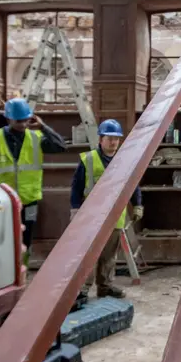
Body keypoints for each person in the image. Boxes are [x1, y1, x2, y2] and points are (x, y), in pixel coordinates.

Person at [0, 98, 66, 264]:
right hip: (0, 201)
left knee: (26, 239)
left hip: (29, 200)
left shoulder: (36, 138)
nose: (23, 124)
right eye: (18, 120)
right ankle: (3, 269)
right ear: (8, 119)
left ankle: (23, 269)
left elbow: (60, 146)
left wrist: (43, 126)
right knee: (1, 238)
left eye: (26, 119)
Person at [70, 119, 143, 299]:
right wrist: (75, 211)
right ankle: (83, 290)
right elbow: (76, 187)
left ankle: (105, 286)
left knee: (109, 256)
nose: (113, 142)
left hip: (115, 216)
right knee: (88, 255)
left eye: (116, 139)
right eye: (109, 138)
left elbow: (134, 185)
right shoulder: (88, 160)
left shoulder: (125, 161)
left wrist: (138, 204)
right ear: (100, 139)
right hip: (91, 216)